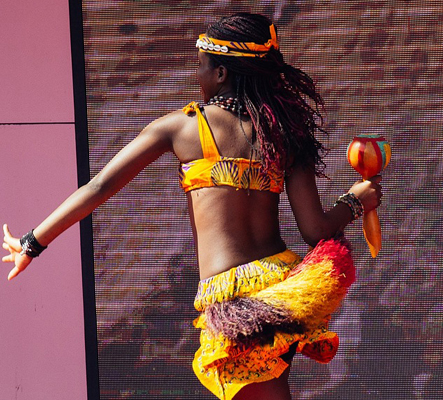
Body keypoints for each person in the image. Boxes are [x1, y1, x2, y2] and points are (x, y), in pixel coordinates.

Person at [2, 13, 382, 400]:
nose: (197, 76)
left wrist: (33, 241)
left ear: (220, 74)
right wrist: (355, 201)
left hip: (233, 300)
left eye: (200, 67)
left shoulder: (182, 128)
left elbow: (99, 186)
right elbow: (316, 229)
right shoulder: (283, 132)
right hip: (280, 286)